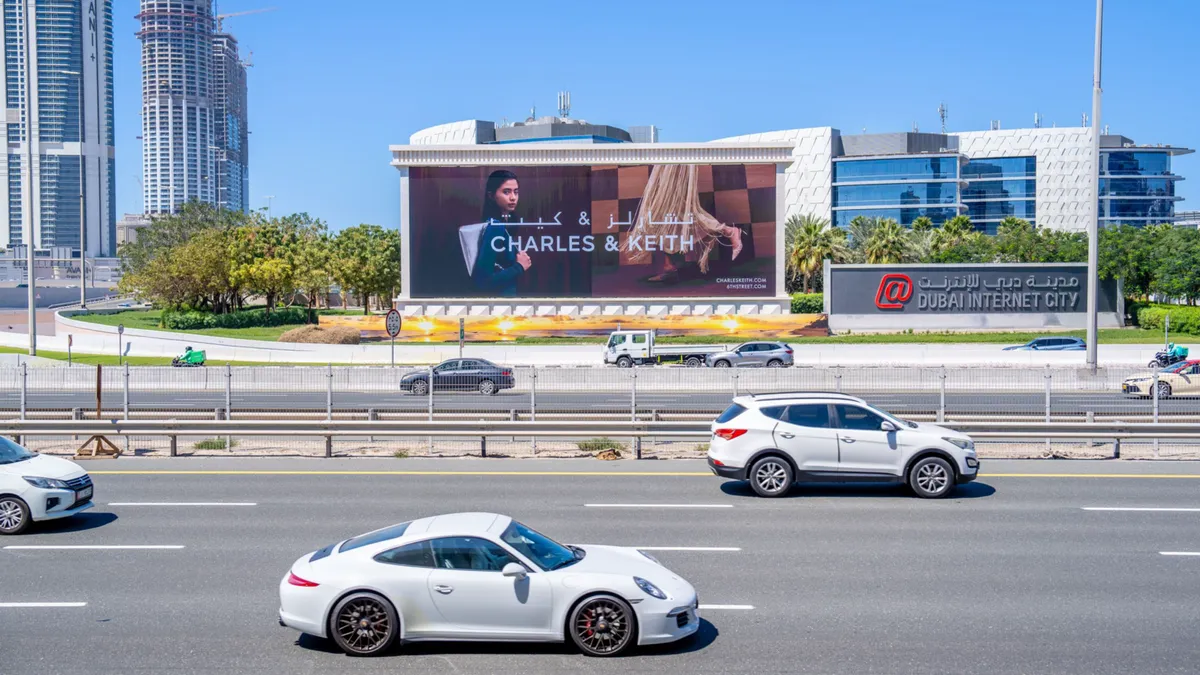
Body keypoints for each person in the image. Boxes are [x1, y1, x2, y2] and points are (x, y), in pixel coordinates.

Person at [621, 164, 743, 284]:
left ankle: (728, 230)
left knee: (668, 206)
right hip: (667, 157)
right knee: (664, 209)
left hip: (675, 158)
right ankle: (668, 265)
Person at [469, 170, 532, 296]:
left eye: (516, 192)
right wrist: (519, 267)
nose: (513, 197)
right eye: (506, 192)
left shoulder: (503, 226)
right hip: (499, 309)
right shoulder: (495, 228)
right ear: (491, 195)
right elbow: (483, 280)